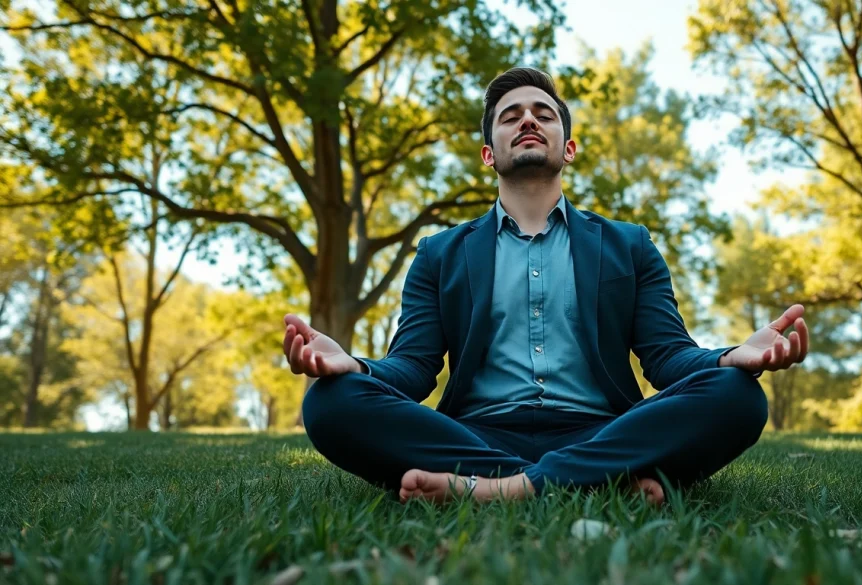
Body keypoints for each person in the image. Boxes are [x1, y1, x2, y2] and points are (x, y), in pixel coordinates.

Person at [284, 67, 809, 506]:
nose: (528, 120)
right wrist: (356, 368)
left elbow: (667, 356)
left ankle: (500, 489)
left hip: (604, 430)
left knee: (738, 396)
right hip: (475, 434)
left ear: (569, 146)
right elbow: (415, 367)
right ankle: (601, 483)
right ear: (489, 153)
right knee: (331, 402)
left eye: (543, 114)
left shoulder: (630, 245)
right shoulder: (439, 254)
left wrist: (730, 358)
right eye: (510, 117)